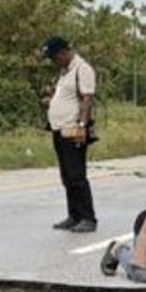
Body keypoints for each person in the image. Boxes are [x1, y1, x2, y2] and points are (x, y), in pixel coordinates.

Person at [42, 36, 97, 233]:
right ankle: (74, 215)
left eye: (54, 57)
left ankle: (88, 218)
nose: (53, 62)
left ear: (63, 53)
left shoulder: (82, 69)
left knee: (76, 174)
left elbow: (86, 100)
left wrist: (82, 126)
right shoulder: (64, 72)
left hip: (73, 127)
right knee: (66, 175)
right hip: (59, 128)